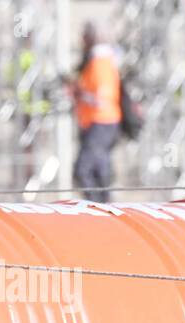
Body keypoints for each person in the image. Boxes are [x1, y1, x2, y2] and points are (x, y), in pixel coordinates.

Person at [72, 22, 121, 203]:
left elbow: (102, 97)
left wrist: (79, 94)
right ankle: (103, 204)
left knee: (83, 170)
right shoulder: (97, 61)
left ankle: (99, 206)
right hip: (96, 122)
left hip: (101, 122)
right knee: (99, 169)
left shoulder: (100, 62)